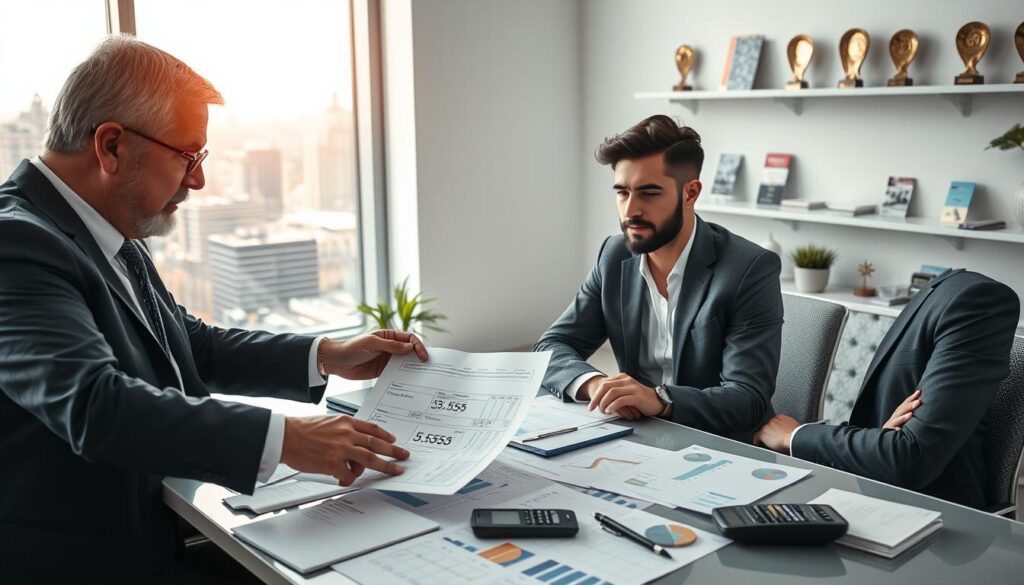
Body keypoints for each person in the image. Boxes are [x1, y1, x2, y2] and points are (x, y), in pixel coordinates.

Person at [0, 35, 423, 582]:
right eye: (188, 156)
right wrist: (287, 438)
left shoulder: (105, 229)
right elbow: (94, 405)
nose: (198, 180)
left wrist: (326, 355)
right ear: (110, 147)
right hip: (91, 559)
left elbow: (184, 342)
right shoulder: (16, 244)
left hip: (162, 527)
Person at [535, 115, 783, 442]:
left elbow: (747, 398)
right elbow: (551, 346)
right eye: (622, 193)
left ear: (690, 193)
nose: (630, 211)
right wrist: (595, 384)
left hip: (719, 443)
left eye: (649, 194)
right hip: (636, 437)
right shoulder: (614, 255)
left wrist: (660, 399)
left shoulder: (749, 269)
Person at [754, 269, 1019, 509]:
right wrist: (880, 436)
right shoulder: (938, 288)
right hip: (870, 489)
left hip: (932, 519)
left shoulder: (978, 301)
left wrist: (794, 436)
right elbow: (895, 444)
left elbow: (910, 457)